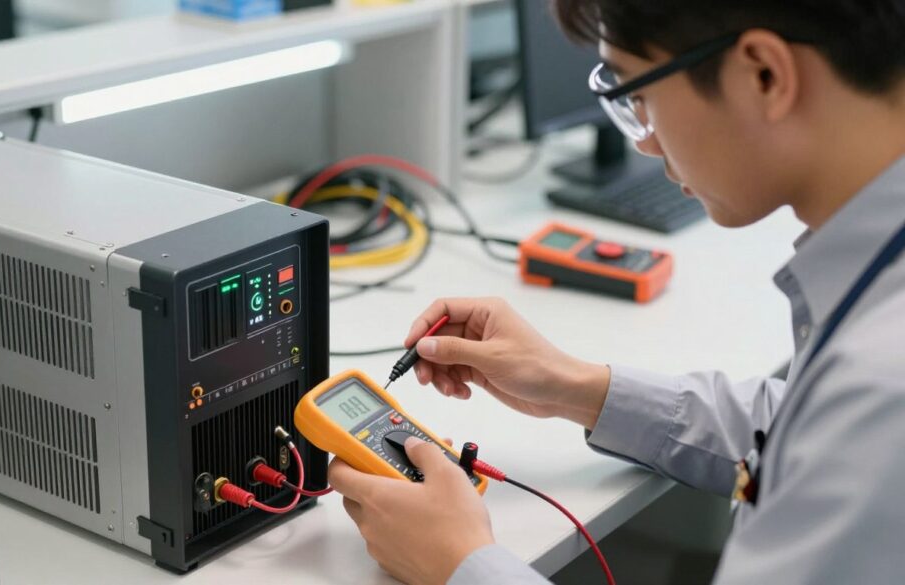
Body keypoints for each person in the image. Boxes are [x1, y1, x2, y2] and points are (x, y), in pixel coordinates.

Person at [327, 0, 905, 583]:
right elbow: (799, 429)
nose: (645, 143)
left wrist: (459, 563)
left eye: (639, 94)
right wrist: (575, 386)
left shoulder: (881, 390)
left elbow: (844, 431)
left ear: (764, 75)